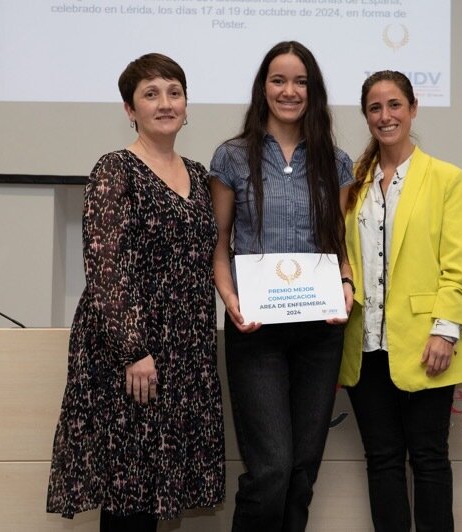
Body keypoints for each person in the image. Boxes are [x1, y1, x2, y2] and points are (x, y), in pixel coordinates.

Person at [46, 53, 225, 531]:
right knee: (130, 493)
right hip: (132, 354)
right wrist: (134, 349)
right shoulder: (114, 169)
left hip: (184, 350)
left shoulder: (199, 174)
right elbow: (105, 267)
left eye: (174, 92)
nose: (165, 103)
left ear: (187, 105)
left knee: (160, 486)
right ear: (130, 108)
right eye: (151, 94)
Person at [208, 41, 353, 531]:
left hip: (320, 330)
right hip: (257, 331)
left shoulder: (335, 161)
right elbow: (220, 242)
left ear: (313, 91)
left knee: (301, 471)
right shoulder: (231, 157)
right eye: (278, 80)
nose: (289, 91)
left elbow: (339, 242)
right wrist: (229, 298)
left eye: (300, 82)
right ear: (263, 87)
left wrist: (347, 283)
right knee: (270, 470)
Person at [339, 70, 462, 532]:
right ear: (366, 116)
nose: (385, 116)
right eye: (375, 108)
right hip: (366, 348)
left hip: (425, 345)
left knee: (430, 460)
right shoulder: (353, 183)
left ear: (413, 108)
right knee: (381, 461)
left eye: (394, 105)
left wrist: (445, 330)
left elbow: (459, 266)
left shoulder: (446, 179)